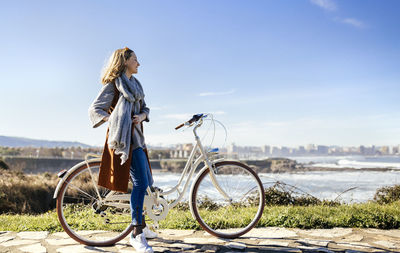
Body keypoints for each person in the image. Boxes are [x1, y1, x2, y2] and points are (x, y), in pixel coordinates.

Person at [88, 47, 156, 253]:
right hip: (124, 140)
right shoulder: (114, 85)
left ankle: (142, 223)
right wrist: (117, 119)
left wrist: (142, 116)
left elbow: (145, 109)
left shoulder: (136, 84)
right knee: (141, 182)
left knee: (148, 183)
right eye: (135, 59)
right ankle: (136, 234)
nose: (139, 63)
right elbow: (94, 109)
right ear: (125, 61)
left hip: (138, 138)